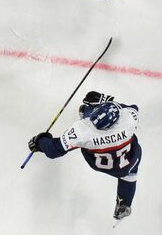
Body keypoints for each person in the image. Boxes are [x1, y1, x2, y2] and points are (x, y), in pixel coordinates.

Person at [28, 91, 141, 222]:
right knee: (130, 172)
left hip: (99, 163)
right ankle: (124, 204)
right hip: (129, 160)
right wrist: (109, 102)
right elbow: (131, 107)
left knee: (86, 112)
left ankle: (88, 110)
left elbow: (53, 150)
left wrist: (40, 141)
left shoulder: (82, 131)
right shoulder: (129, 118)